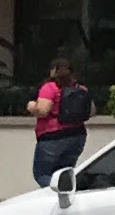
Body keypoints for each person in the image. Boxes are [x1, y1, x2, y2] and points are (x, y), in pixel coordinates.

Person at [30, 55, 95, 185]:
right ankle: (67, 196)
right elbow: (92, 111)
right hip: (77, 136)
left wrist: (32, 106)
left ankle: (59, 194)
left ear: (53, 70)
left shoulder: (50, 88)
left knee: (43, 174)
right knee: (65, 174)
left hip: (52, 137)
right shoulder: (81, 89)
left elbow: (43, 111)